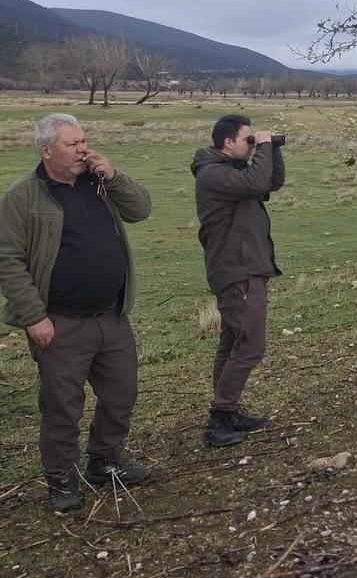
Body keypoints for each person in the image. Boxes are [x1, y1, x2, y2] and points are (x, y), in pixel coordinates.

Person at [0, 114, 153, 513]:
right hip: (61, 322)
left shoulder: (99, 183)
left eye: (84, 140)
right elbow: (8, 261)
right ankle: (62, 479)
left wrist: (114, 175)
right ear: (46, 150)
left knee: (121, 395)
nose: (82, 149)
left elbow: (141, 211)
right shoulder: (23, 197)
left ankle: (104, 461)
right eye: (73, 143)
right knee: (62, 406)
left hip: (111, 315)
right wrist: (34, 316)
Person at [191, 114, 285, 447]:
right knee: (250, 346)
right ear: (227, 143)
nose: (251, 144)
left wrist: (272, 148)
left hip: (243, 267)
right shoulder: (213, 175)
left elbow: (271, 182)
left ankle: (227, 411)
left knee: (233, 342)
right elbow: (257, 184)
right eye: (247, 140)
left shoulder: (231, 171)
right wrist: (261, 147)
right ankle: (220, 418)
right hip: (237, 271)